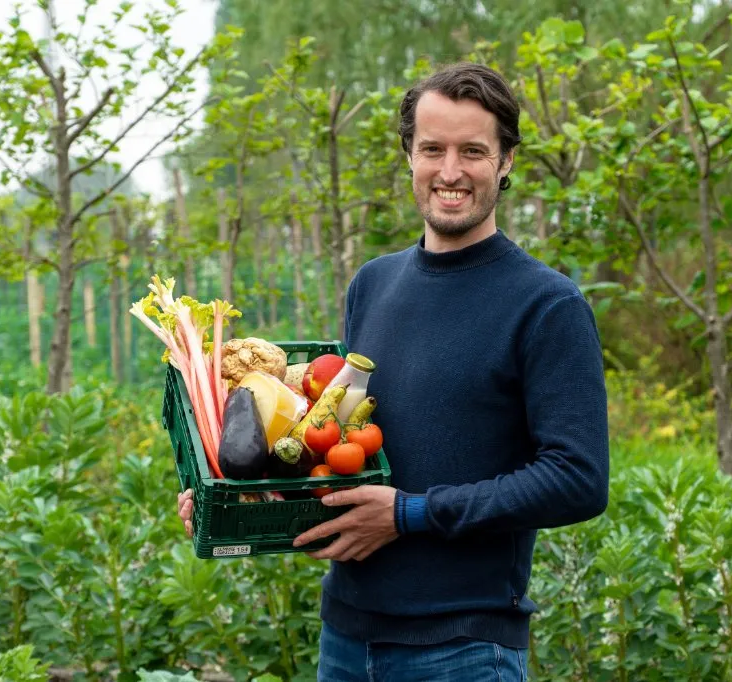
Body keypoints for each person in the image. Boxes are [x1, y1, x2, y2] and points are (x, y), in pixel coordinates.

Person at [177, 61, 610, 681]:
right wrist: (242, 495)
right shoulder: (373, 285)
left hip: (464, 647)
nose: (450, 171)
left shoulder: (547, 306)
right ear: (409, 153)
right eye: (432, 148)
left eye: (473, 151)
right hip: (346, 639)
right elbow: (339, 445)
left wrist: (409, 514)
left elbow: (578, 479)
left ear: (507, 161)